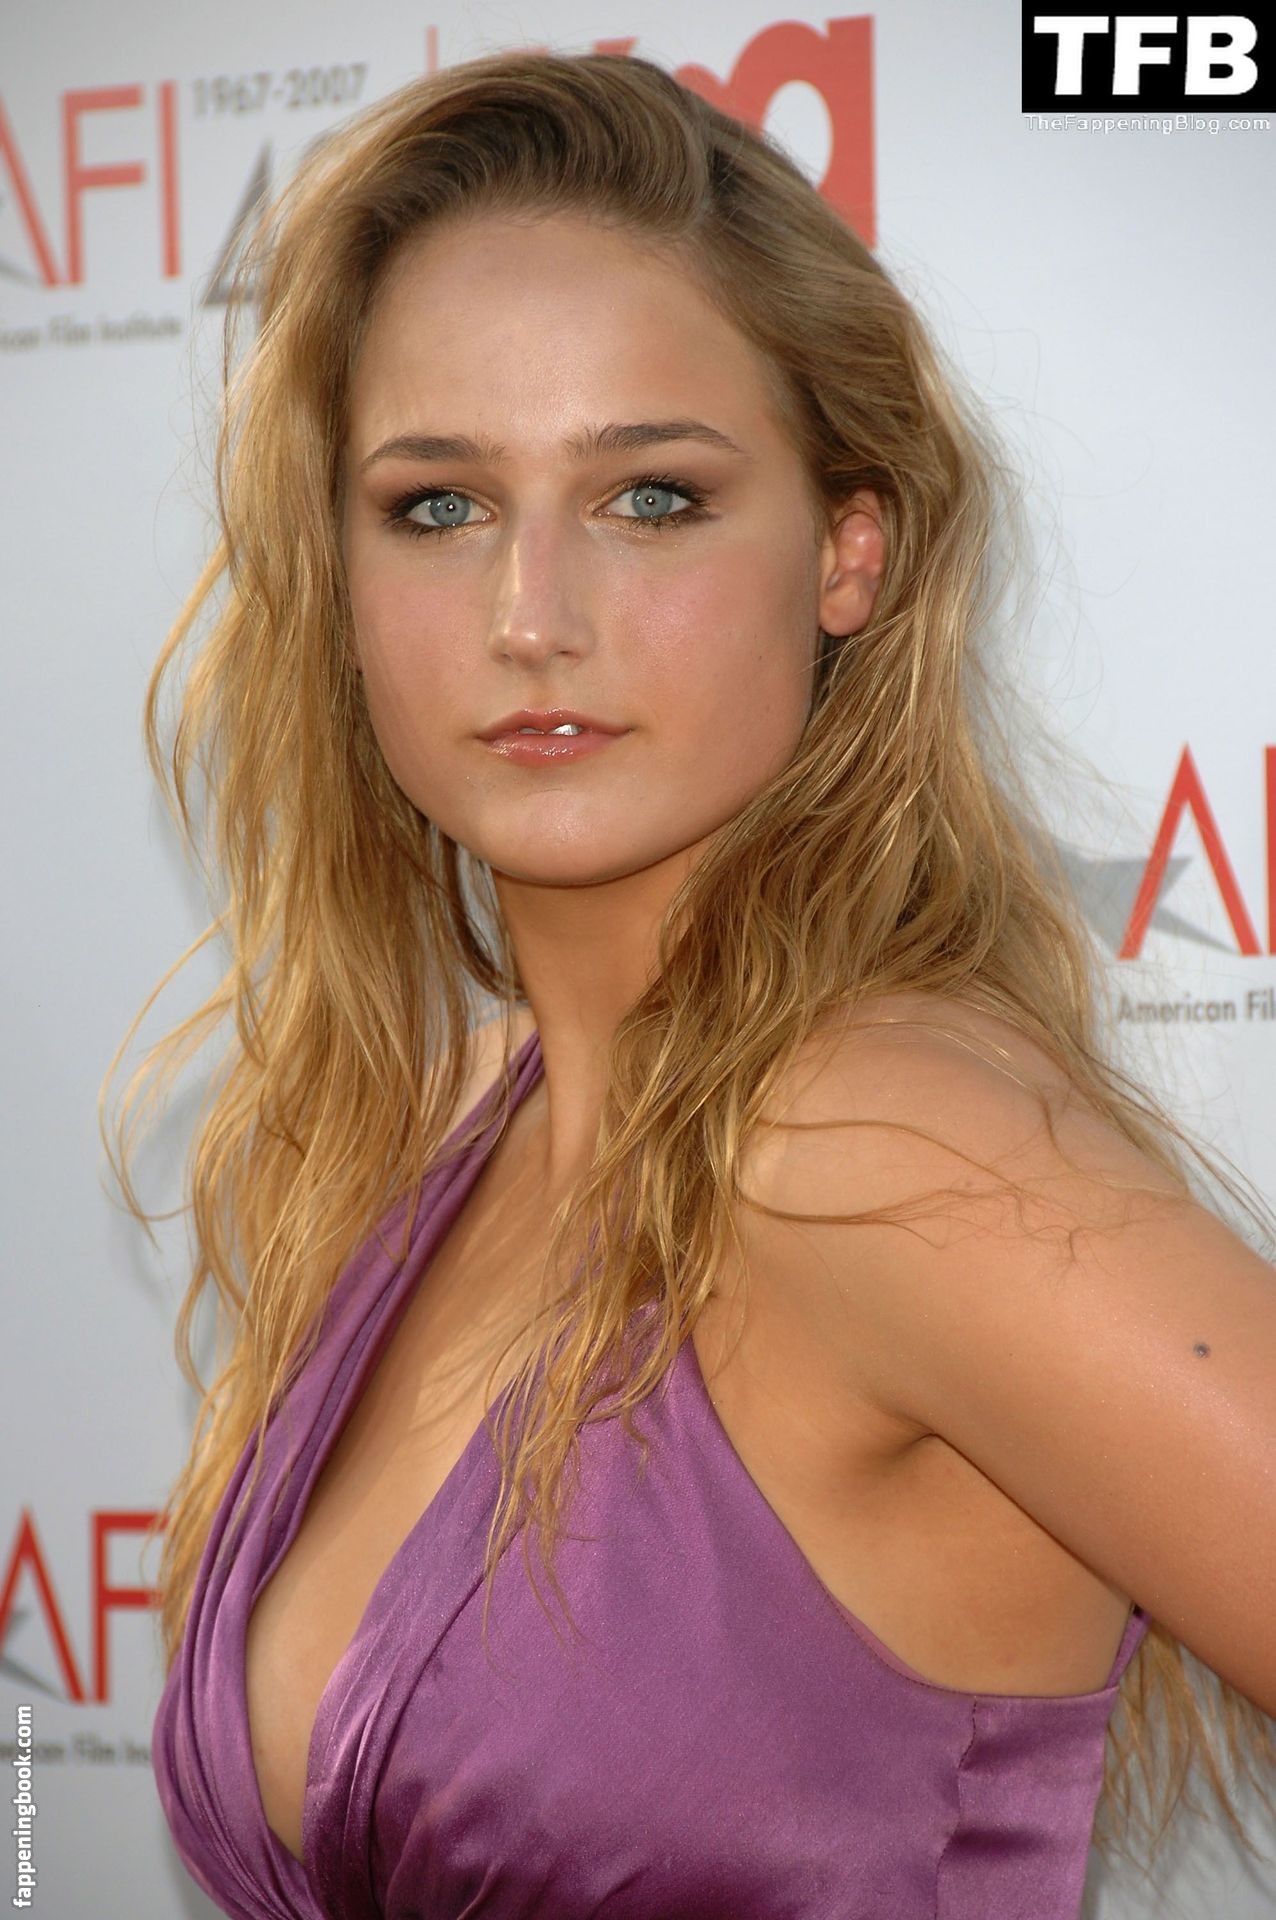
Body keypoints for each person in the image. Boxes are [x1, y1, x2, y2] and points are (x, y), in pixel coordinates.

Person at [106, 46, 1276, 1920]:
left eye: (650, 497)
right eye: (437, 506)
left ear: (848, 553)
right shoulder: (434, 1137)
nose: (530, 617)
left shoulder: (876, 1145)